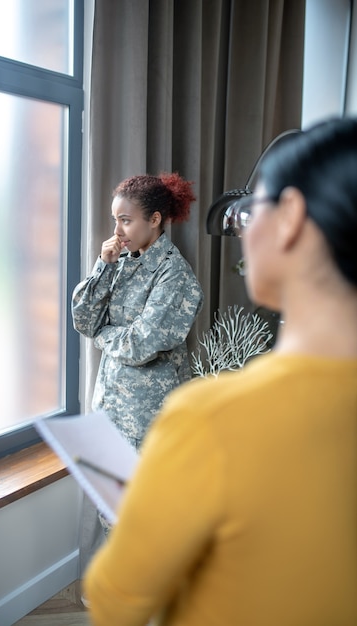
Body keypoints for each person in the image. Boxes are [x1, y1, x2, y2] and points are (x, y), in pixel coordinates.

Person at [83, 117, 357, 626]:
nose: (240, 234)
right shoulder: (120, 265)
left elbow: (115, 598)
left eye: (248, 214)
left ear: (291, 216)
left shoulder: (210, 420)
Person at [72, 172, 204, 449]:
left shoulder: (175, 275)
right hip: (110, 411)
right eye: (115, 220)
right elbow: (83, 320)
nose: (117, 232)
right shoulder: (119, 262)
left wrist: (102, 335)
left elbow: (139, 345)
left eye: (126, 221)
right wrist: (103, 267)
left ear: (154, 220)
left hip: (151, 424)